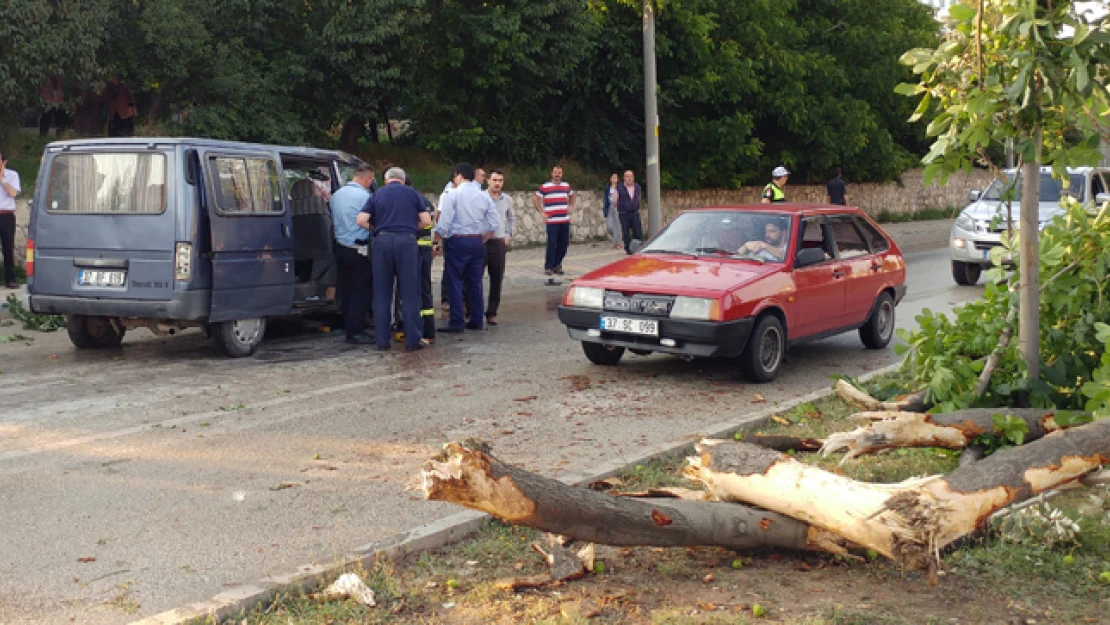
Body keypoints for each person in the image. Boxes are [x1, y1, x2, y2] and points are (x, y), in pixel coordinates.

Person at [358, 167, 431, 352]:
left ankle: (382, 341)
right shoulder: (413, 194)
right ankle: (412, 340)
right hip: (407, 242)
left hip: (382, 241)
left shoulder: (377, 194)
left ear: (386, 179)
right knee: (409, 293)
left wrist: (376, 229)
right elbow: (426, 220)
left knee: (382, 293)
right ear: (403, 179)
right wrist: (413, 227)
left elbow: (360, 219)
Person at [435, 163, 499, 333]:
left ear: (459, 175)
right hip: (477, 242)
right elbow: (494, 221)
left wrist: (436, 238)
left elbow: (444, 221)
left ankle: (457, 321)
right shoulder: (483, 196)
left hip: (457, 241)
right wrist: (485, 236)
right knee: (475, 281)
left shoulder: (452, 194)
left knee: (455, 281)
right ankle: (477, 319)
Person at [329, 163, 375, 345]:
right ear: (367, 179)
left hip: (340, 247)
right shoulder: (365, 196)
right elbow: (372, 220)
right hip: (359, 249)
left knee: (346, 290)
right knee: (360, 291)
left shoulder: (335, 196)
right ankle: (356, 331)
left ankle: (348, 325)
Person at [533, 165, 574, 284]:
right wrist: (541, 212)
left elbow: (572, 196)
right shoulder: (545, 187)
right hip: (552, 221)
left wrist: (571, 206)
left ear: (562, 174)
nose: (557, 175)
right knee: (552, 243)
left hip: (564, 220)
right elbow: (535, 198)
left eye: (559, 173)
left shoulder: (566, 186)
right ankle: (549, 266)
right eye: (555, 172)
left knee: (564, 243)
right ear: (552, 173)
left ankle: (557, 264)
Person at [484, 169, 514, 326]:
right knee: (474, 278)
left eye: (500, 180)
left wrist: (508, 235)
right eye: (494, 180)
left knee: (497, 279)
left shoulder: (507, 200)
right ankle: (471, 310)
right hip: (481, 242)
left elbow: (510, 218)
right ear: (488, 180)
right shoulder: (480, 197)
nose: (497, 183)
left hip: (498, 243)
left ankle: (491, 312)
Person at [0, 150, 21, 289]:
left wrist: (2, 180)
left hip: (6, 215)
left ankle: (10, 279)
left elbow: (13, 193)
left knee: (8, 247)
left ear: (4, 162)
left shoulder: (12, 175)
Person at [616, 170, 643, 254]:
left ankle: (638, 248)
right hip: (624, 213)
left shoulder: (637, 186)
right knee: (626, 232)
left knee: (637, 231)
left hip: (634, 212)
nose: (629, 178)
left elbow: (639, 197)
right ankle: (628, 249)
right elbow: (615, 200)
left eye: (631, 176)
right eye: (627, 176)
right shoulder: (619, 187)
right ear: (624, 178)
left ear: (633, 177)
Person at [602, 173, 623, 249]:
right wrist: (605, 209)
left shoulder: (620, 187)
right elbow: (605, 199)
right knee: (609, 226)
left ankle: (618, 243)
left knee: (617, 225)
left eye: (615, 178)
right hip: (610, 206)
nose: (614, 179)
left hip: (617, 207)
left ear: (617, 179)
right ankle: (617, 239)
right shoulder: (607, 188)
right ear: (610, 179)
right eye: (612, 178)